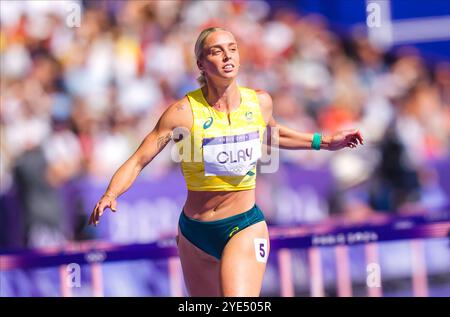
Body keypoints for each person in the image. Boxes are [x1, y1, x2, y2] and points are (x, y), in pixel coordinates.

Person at [88, 27, 364, 297]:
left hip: (244, 225)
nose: (227, 57)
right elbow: (139, 159)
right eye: (217, 52)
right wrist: (111, 194)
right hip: (194, 233)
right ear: (201, 64)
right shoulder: (182, 114)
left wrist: (325, 142)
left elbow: (273, 134)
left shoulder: (259, 103)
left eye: (232, 49)